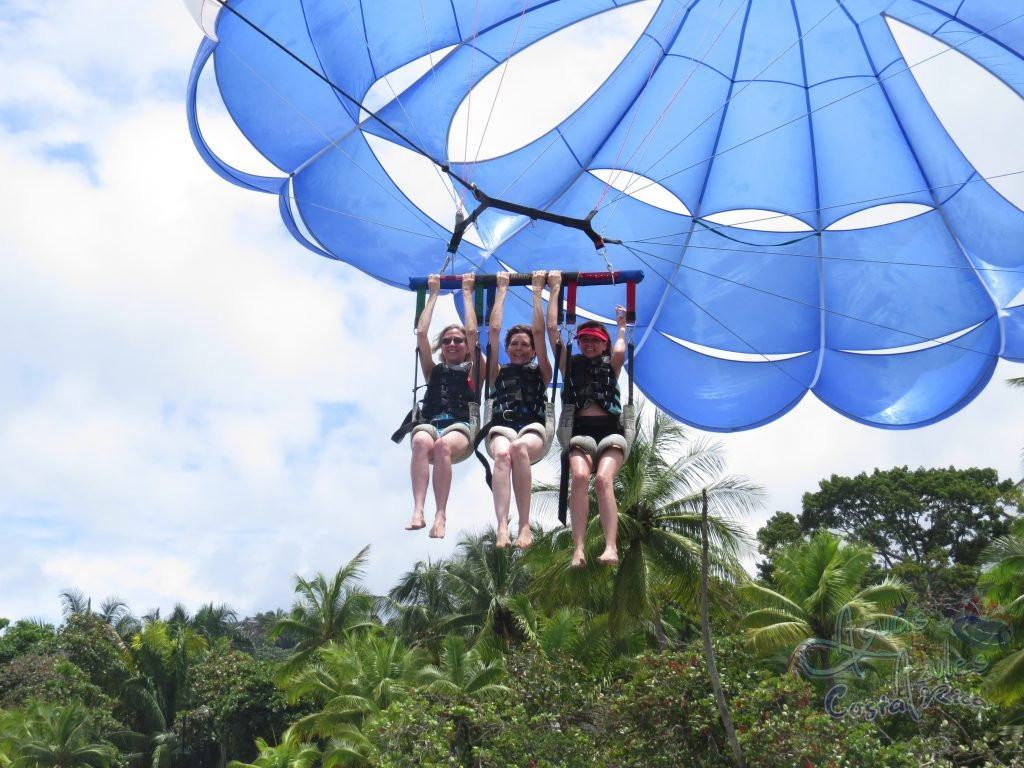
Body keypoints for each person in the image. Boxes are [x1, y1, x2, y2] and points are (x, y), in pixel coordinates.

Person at [546, 270, 627, 568]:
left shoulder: (612, 364)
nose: (589, 345)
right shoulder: (571, 365)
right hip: (580, 433)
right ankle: (577, 549)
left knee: (604, 479)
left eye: (595, 340)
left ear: (603, 344)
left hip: (610, 433)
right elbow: (553, 329)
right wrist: (555, 290)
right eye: (584, 340)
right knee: (579, 477)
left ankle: (610, 547)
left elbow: (620, 347)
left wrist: (620, 327)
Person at [407, 273, 481, 538]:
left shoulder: (475, 371)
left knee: (442, 446)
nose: (452, 344)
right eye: (447, 340)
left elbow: (473, 332)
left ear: (466, 348)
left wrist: (468, 293)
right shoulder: (433, 370)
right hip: (431, 423)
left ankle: (440, 514)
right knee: (420, 442)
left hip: (460, 427)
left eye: (457, 341)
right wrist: (434, 293)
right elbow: (422, 333)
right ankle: (418, 509)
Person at [484, 271, 553, 549]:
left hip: (533, 429)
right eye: (514, 344)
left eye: (525, 345)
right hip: (501, 426)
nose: (519, 348)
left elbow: (540, 333)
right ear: (507, 348)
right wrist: (501, 291)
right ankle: (502, 525)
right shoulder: (496, 371)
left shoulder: (543, 372)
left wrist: (537, 293)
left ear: (534, 351)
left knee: (518, 449)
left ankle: (524, 525)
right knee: (502, 453)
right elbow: (493, 332)